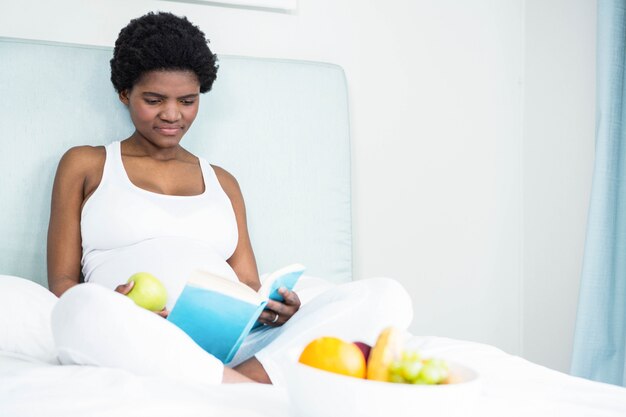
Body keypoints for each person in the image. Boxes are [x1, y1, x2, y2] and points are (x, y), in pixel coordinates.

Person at [47, 11, 412, 386]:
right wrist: (117, 307)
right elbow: (61, 282)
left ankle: (236, 382)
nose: (172, 114)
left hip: (233, 342)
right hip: (133, 332)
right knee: (80, 312)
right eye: (154, 100)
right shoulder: (86, 164)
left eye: (187, 101)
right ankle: (248, 387)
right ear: (125, 93)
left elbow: (248, 283)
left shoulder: (223, 181)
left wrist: (272, 308)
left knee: (386, 297)